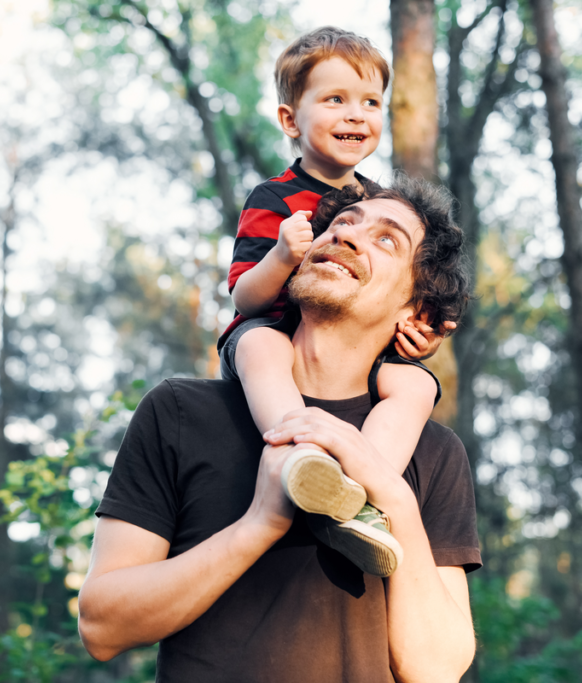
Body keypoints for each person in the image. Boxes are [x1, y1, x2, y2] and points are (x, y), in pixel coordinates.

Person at [78, 175, 480, 682]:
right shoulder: (180, 412)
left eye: (386, 239)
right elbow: (102, 626)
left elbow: (435, 670)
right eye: (340, 223)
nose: (346, 235)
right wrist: (260, 523)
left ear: (415, 310)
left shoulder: (433, 451)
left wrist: (391, 497)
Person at [221, 26, 455, 575]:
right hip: (276, 333)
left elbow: (400, 290)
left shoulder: (379, 203)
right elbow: (244, 297)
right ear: (290, 120)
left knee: (417, 382)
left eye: (370, 102)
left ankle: (362, 495)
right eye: (335, 100)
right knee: (260, 346)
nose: (356, 115)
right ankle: (299, 457)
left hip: (353, 352)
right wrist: (281, 257)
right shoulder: (273, 198)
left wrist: (419, 332)